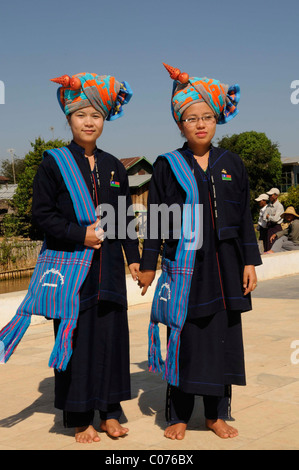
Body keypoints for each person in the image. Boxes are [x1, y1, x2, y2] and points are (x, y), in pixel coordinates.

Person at [0, 72, 140, 444]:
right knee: (76, 341)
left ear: (104, 119)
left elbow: (125, 217)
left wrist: (134, 260)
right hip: (70, 270)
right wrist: (82, 234)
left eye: (96, 114)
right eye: (81, 115)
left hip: (108, 270)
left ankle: (110, 411)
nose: (89, 121)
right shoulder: (53, 164)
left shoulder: (114, 165)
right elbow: (42, 215)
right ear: (68, 119)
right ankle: (80, 417)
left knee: (112, 339)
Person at [137, 63, 262, 440]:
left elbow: (243, 218)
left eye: (207, 116)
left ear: (216, 120)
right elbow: (157, 221)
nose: (200, 124)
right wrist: (147, 266)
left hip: (226, 265)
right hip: (185, 267)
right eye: (191, 118)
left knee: (222, 337)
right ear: (180, 124)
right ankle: (178, 414)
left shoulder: (231, 164)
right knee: (184, 336)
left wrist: (251, 262)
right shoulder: (166, 166)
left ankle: (215, 414)